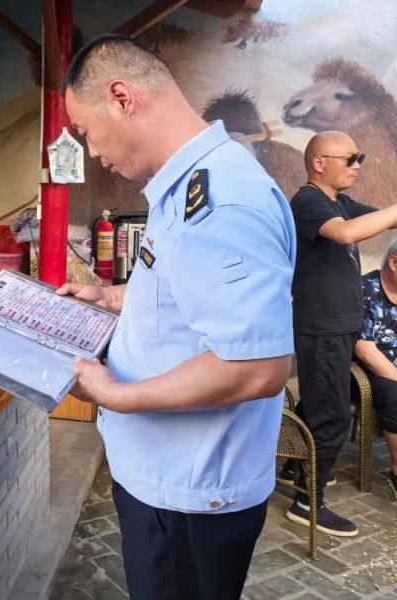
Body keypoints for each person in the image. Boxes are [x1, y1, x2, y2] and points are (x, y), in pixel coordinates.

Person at [57, 35, 295, 600]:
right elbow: (188, 291)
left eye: (85, 132)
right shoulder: (185, 186)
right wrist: (113, 298)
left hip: (190, 492)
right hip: (165, 477)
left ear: (122, 98)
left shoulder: (221, 200)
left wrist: (115, 394)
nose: (91, 152)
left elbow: (256, 367)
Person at [287, 131, 397, 536]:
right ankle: (307, 502)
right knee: (331, 418)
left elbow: (380, 219)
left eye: (359, 158)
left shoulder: (340, 203)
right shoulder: (308, 202)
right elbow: (347, 233)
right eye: (350, 158)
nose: (357, 166)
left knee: (317, 404)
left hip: (341, 329)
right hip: (323, 330)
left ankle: (292, 466)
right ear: (319, 163)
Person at [354, 240, 397, 499]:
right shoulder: (363, 289)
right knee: (395, 393)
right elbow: (364, 350)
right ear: (394, 263)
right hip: (369, 371)